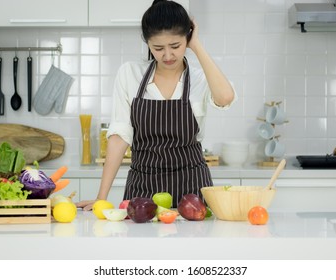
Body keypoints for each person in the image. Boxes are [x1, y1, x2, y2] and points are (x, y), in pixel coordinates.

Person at [77, 0, 235, 210]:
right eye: (158, 48)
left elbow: (225, 98)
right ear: (147, 43)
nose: (168, 55)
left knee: (196, 241)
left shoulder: (201, 78)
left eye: (176, 46)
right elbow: (119, 136)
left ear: (187, 38)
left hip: (192, 188)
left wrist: (197, 46)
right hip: (143, 187)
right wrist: (101, 197)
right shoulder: (130, 74)